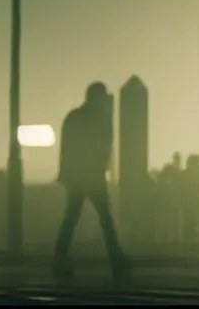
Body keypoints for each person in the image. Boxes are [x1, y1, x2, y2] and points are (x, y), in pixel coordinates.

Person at [53, 82, 131, 281]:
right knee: (106, 221)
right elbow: (105, 149)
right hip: (94, 177)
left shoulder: (73, 117)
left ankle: (59, 259)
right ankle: (117, 261)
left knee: (70, 219)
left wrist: (65, 175)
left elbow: (66, 150)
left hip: (76, 177)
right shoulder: (102, 118)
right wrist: (102, 170)